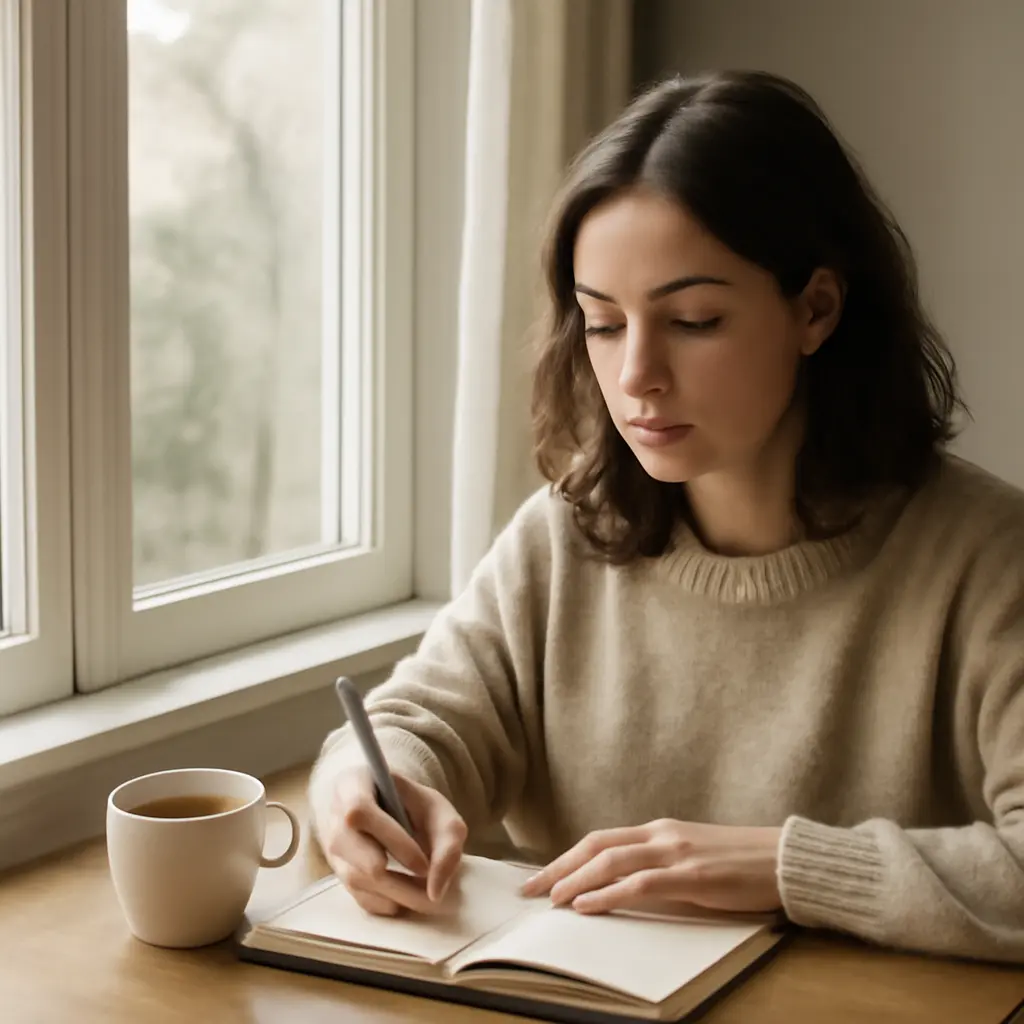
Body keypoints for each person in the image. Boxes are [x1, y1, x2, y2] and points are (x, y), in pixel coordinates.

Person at [308, 70, 1024, 964]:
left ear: (816, 308)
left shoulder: (989, 561)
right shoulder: (562, 539)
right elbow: (417, 723)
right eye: (602, 324)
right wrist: (360, 787)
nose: (636, 373)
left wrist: (786, 865)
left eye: (692, 319)